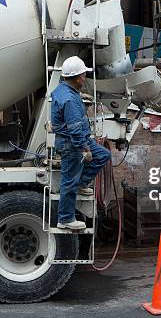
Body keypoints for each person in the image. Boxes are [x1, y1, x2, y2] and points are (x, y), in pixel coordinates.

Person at [51, 56, 111, 230]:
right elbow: (75, 130)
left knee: (103, 155)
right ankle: (65, 219)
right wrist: (85, 149)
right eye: (84, 75)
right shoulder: (70, 100)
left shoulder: (64, 90)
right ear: (77, 78)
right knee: (69, 181)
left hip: (78, 139)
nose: (85, 78)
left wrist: (79, 97)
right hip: (72, 144)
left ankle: (81, 183)